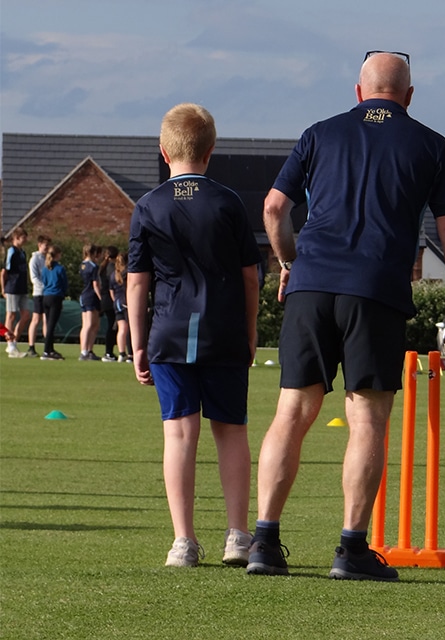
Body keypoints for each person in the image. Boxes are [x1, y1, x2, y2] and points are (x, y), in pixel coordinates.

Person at [247, 50, 445, 582]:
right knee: (367, 417)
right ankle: (350, 550)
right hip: (375, 289)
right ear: (409, 97)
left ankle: (264, 541)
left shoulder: (319, 133)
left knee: (292, 413)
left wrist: (288, 263)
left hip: (310, 284)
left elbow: (274, 209)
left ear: (358, 91)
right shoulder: (432, 144)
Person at [128, 102, 261, 568]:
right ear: (211, 150)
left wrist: (137, 342)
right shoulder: (228, 202)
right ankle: (238, 536)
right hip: (223, 332)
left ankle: (183, 542)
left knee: (179, 435)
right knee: (231, 432)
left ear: (164, 151)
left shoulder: (147, 206)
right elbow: (250, 277)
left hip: (168, 330)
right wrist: (250, 334)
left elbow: (138, 281)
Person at [2, 227, 32, 357]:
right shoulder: (11, 251)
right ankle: (10, 345)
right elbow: (4, 271)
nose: (25, 240)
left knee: (26, 315)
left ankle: (14, 341)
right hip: (12, 287)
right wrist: (3, 288)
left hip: (22, 288)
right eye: (23, 237)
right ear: (17, 238)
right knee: (11, 315)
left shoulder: (22, 252)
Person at [40, 245, 68, 360]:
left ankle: (50, 349)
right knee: (51, 325)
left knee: (48, 323)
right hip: (55, 296)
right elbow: (64, 283)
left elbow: (44, 281)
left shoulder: (45, 269)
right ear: (57, 255)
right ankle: (47, 350)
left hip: (46, 296)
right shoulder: (60, 268)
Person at [26, 235, 51, 358]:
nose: (47, 248)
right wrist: (44, 287)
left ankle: (48, 346)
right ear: (39, 245)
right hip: (39, 293)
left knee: (47, 319)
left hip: (48, 293)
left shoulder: (47, 259)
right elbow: (34, 278)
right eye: (45, 246)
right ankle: (31, 346)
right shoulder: (34, 259)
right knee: (36, 319)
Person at [78, 243, 103, 361]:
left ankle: (87, 350)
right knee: (90, 324)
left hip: (83, 295)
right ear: (93, 253)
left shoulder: (82, 265)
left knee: (89, 325)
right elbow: (95, 284)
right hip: (91, 295)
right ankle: (85, 351)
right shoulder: (93, 266)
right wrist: (100, 297)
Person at [110, 252, 132, 362]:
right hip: (126, 301)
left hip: (117, 302)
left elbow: (111, 291)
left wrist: (115, 302)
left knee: (121, 328)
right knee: (127, 328)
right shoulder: (127, 273)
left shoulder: (114, 274)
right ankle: (129, 353)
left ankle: (121, 353)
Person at [99, 246, 119, 362]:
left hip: (104, 298)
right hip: (110, 299)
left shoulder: (102, 267)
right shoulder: (112, 268)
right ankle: (109, 352)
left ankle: (109, 351)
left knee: (111, 326)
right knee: (112, 327)